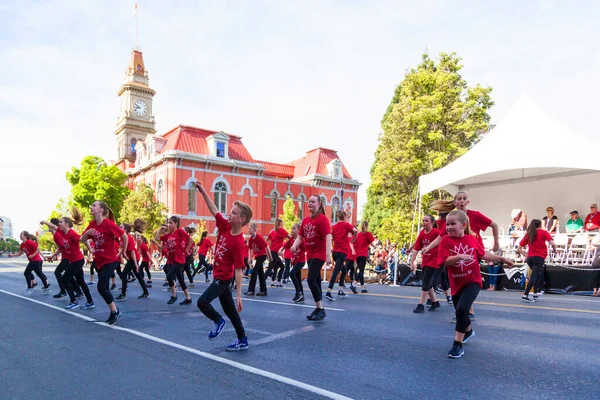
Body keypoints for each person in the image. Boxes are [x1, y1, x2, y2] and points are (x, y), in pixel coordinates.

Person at [439, 210, 512, 359]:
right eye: (447, 224)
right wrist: (459, 256)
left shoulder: (472, 239)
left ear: (463, 225)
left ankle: (457, 345)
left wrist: (502, 259)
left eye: (453, 224)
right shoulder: (445, 241)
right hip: (456, 284)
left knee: (462, 309)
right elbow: (444, 261)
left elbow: (483, 254)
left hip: (473, 281)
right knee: (461, 311)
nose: (449, 227)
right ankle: (469, 331)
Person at [193, 181, 250, 351]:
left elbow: (239, 269)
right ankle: (243, 340)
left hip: (224, 278)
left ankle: (218, 320)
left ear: (241, 219)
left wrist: (239, 296)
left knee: (202, 302)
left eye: (233, 213)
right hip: (219, 275)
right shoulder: (225, 226)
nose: (228, 214)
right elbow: (214, 210)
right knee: (231, 311)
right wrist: (203, 191)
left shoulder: (238, 242)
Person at [80, 201, 128, 325]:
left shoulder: (108, 224)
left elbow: (124, 237)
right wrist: (86, 234)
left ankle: (114, 311)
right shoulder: (92, 224)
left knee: (101, 287)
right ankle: (114, 310)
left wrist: (122, 252)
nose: (91, 207)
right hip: (99, 260)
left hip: (110, 260)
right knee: (104, 288)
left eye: (94, 205)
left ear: (101, 210)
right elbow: (82, 239)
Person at [291, 195, 332, 321]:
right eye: (309, 202)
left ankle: (320, 308)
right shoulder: (305, 220)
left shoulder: (322, 219)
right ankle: (319, 309)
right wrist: (294, 246)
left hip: (319, 254)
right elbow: (300, 237)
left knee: (310, 279)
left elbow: (328, 236)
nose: (310, 204)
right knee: (317, 281)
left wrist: (327, 254)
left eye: (313, 202)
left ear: (319, 204)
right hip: (309, 253)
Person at [58, 210, 95, 310]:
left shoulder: (71, 233)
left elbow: (83, 239)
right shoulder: (63, 233)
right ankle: (90, 301)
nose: (59, 224)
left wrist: (90, 250)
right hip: (73, 261)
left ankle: (74, 301)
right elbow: (53, 227)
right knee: (81, 281)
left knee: (65, 279)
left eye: (61, 222)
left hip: (77, 260)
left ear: (66, 224)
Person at [40, 218, 82, 299]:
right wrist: (52, 256)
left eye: (50, 224)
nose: (48, 226)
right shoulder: (56, 235)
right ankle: (78, 291)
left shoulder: (57, 235)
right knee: (68, 276)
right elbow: (62, 247)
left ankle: (64, 291)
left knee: (58, 272)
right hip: (67, 257)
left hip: (68, 257)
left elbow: (63, 247)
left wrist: (53, 256)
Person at [155, 217, 194, 305]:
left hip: (179, 259)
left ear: (176, 223)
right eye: (168, 223)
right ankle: (188, 298)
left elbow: (190, 240)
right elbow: (157, 238)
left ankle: (174, 295)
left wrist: (186, 250)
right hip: (172, 259)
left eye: (171, 223)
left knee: (169, 277)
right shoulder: (169, 235)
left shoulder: (179, 231)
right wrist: (160, 230)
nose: (169, 225)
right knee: (180, 279)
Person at [517, 219, 556, 302]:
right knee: (534, 276)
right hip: (539, 257)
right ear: (540, 225)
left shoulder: (529, 234)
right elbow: (552, 243)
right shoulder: (544, 232)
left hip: (530, 257)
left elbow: (519, 248)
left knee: (537, 274)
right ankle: (525, 294)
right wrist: (555, 251)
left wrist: (526, 255)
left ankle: (535, 294)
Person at [411, 215, 442, 313]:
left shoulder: (436, 232)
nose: (424, 222)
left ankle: (421, 304)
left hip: (434, 260)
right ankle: (435, 301)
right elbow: (416, 248)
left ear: (432, 222)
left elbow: (443, 242)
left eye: (426, 221)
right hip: (425, 260)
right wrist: (412, 261)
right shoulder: (421, 233)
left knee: (425, 282)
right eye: (423, 221)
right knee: (426, 281)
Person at [324, 210, 357, 301]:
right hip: (342, 252)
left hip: (335, 252)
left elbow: (329, 236)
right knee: (336, 271)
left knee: (344, 270)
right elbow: (355, 230)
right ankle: (329, 291)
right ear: (345, 217)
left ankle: (340, 290)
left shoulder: (333, 226)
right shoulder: (346, 225)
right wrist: (353, 239)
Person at [117, 220, 150, 301]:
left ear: (125, 230)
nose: (118, 227)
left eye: (121, 227)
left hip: (134, 258)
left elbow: (132, 252)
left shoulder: (129, 238)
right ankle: (146, 292)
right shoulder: (122, 238)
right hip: (131, 258)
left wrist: (135, 264)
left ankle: (123, 294)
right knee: (138, 276)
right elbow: (123, 250)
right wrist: (121, 256)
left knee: (124, 274)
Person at [245, 222, 272, 296]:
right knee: (260, 273)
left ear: (254, 230)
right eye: (249, 229)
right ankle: (263, 290)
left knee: (254, 271)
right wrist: (249, 258)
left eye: (250, 229)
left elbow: (267, 247)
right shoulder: (250, 239)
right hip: (257, 256)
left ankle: (251, 290)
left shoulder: (259, 237)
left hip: (262, 256)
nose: (249, 230)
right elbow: (250, 249)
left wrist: (270, 258)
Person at [283, 223, 306, 303]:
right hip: (295, 261)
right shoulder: (291, 239)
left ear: (299, 231)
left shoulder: (301, 240)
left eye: (294, 228)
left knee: (291, 273)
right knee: (298, 279)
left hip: (301, 261)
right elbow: (285, 245)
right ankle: (301, 296)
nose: (292, 230)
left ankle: (298, 293)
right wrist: (280, 250)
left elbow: (306, 247)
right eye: (291, 228)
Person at [350, 221, 375, 294]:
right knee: (361, 271)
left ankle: (363, 287)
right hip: (363, 254)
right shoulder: (368, 234)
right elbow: (372, 243)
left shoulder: (358, 234)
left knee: (361, 270)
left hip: (357, 255)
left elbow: (354, 243)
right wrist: (375, 247)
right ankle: (354, 284)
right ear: (367, 226)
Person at [265, 218, 289, 287]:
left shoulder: (272, 231)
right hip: (275, 252)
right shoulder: (281, 230)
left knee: (278, 267)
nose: (283, 224)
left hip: (273, 252)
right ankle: (263, 282)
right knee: (272, 268)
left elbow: (266, 240)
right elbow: (290, 237)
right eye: (282, 223)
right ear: (280, 223)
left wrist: (267, 250)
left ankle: (274, 282)